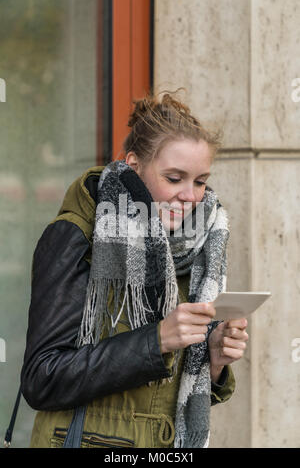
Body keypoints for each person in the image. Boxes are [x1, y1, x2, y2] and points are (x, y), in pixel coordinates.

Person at [21, 90, 248, 448]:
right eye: (174, 179)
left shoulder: (200, 245)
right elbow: (42, 378)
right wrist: (157, 341)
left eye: (200, 181)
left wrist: (213, 360)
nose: (190, 196)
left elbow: (172, 392)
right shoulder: (78, 232)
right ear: (133, 167)